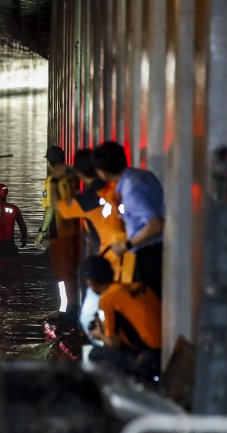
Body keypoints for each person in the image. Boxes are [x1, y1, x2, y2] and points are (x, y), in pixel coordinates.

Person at [53, 149, 128, 339]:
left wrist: (54, 181)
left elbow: (59, 208)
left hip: (110, 259)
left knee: (91, 316)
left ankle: (106, 345)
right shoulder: (113, 188)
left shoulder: (88, 199)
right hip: (127, 253)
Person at [93, 141, 164, 298]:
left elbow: (156, 225)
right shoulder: (144, 175)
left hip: (149, 255)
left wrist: (127, 245)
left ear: (103, 172)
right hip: (160, 250)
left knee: (149, 302)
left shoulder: (130, 190)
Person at [83, 255, 161, 384]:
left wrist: (99, 335)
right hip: (163, 342)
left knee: (94, 354)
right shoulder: (130, 286)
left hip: (150, 355)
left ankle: (137, 384)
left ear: (91, 282)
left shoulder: (107, 299)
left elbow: (113, 344)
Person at [36, 146, 81, 317]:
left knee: (62, 273)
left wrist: (42, 231)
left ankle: (66, 310)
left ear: (48, 161)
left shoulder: (52, 179)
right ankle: (74, 305)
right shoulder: (72, 175)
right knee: (72, 270)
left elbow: (50, 208)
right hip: (75, 228)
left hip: (60, 229)